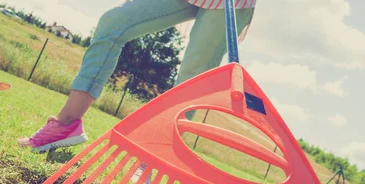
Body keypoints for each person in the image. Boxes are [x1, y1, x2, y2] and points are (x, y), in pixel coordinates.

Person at [18, 0, 256, 153]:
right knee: (115, 21)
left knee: (193, 72)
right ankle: (66, 124)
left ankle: (154, 154)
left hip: (232, 4)